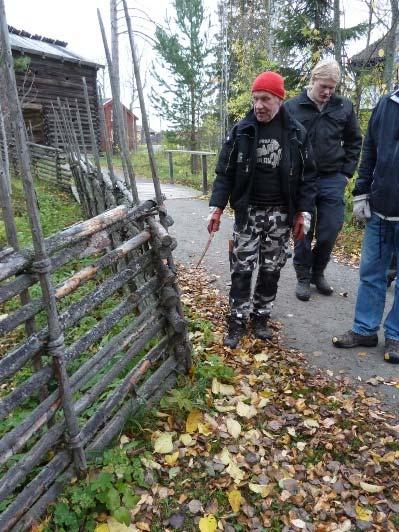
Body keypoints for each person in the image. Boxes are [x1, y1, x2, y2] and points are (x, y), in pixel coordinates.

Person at [207, 71, 316, 348]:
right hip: (248, 213)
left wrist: (304, 213)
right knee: (241, 268)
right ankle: (236, 320)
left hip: (281, 214)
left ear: (279, 99)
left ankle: (260, 318)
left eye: (265, 99)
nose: (258, 105)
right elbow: (224, 173)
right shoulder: (241, 130)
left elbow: (308, 178)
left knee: (271, 269)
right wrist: (217, 208)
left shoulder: (296, 134)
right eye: (255, 99)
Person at [284, 59, 362, 301]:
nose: (328, 92)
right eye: (324, 86)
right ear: (313, 80)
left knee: (330, 229)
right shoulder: (292, 107)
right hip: (302, 180)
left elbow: (354, 141)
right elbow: (284, 143)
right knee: (303, 230)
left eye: (332, 87)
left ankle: (318, 272)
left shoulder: (344, 107)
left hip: (332, 178)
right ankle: (303, 277)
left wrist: (346, 174)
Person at [332, 88, 399, 363]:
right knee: (371, 272)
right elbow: (369, 148)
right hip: (380, 206)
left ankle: (395, 336)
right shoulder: (386, 104)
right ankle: (365, 329)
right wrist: (361, 191)